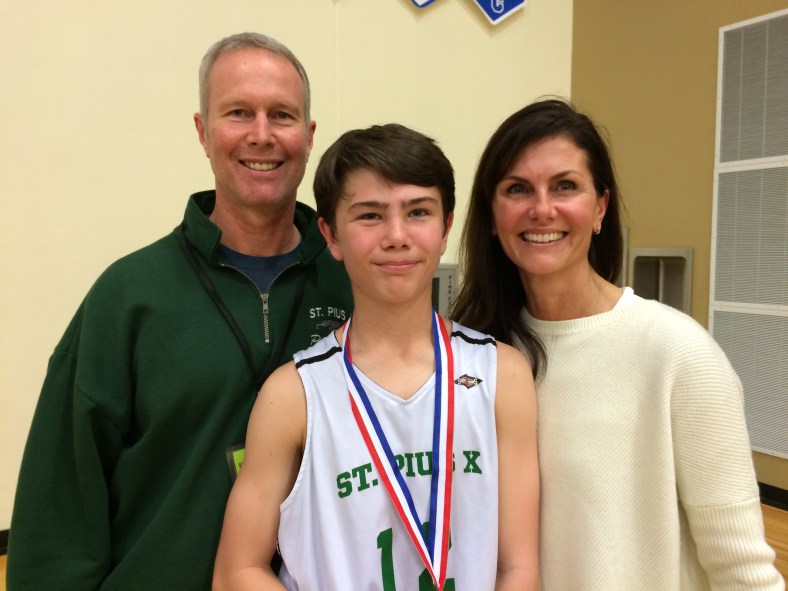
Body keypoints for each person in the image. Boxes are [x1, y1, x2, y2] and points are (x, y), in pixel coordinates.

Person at [7, 32, 353, 590]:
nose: (261, 134)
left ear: (309, 136)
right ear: (202, 130)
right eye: (238, 112)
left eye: (282, 115)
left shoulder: (354, 282)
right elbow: (59, 507)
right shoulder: (128, 297)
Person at [450, 97, 785, 590]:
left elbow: (743, 571)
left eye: (565, 186)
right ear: (492, 215)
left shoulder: (678, 352)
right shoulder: (474, 355)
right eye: (517, 189)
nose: (542, 209)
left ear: (600, 208)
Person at [212, 123, 540, 590]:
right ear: (331, 235)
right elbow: (236, 572)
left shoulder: (502, 374)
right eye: (370, 216)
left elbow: (519, 568)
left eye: (418, 212)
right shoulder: (294, 394)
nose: (397, 236)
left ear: (446, 228)